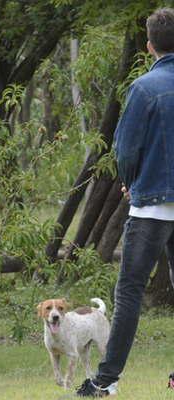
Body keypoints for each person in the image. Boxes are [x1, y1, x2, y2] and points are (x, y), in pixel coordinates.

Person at [76, 8, 174, 397]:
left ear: (149, 45)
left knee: (130, 292)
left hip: (150, 206)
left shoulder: (145, 88)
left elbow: (126, 150)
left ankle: (106, 380)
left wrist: (133, 184)